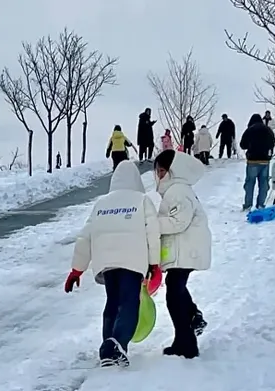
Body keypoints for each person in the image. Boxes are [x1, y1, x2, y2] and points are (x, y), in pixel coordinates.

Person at [65, 160, 160, 367]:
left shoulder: (101, 204)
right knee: (129, 303)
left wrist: (76, 270)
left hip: (106, 264)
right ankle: (117, 345)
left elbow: (85, 237)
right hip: (133, 261)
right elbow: (153, 234)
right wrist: (154, 264)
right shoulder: (142, 200)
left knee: (112, 302)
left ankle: (108, 348)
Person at [153, 149, 211, 359]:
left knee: (174, 293)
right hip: (183, 248)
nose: (158, 176)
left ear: (172, 171)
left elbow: (179, 222)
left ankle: (187, 343)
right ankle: (192, 321)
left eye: (161, 171)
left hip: (186, 248)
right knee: (175, 289)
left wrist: (150, 223)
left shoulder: (178, 190)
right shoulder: (177, 190)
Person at [239, 113, 275, 211]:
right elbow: (272, 143)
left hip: (252, 160)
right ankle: (261, 204)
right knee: (264, 184)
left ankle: (248, 205)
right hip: (265, 161)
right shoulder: (268, 130)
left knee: (249, 184)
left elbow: (243, 145)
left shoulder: (250, 130)